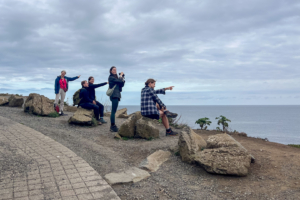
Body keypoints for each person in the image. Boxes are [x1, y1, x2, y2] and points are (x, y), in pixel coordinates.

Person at [108, 66, 125, 132]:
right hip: (114, 95)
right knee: (113, 111)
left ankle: (113, 126)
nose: (115, 71)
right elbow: (119, 81)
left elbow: (122, 84)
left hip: (117, 95)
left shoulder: (116, 78)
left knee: (114, 111)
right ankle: (112, 126)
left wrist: (122, 77)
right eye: (113, 70)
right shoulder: (111, 77)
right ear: (111, 71)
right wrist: (120, 76)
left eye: (116, 69)